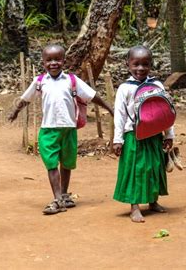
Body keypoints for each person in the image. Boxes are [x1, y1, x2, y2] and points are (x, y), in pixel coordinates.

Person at [9, 45, 113, 215]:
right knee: (51, 163)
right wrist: (15, 111)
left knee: (67, 162)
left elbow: (91, 95)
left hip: (68, 129)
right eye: (49, 60)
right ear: (43, 62)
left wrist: (109, 108)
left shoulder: (71, 80)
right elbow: (26, 98)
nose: (53, 63)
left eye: (57, 59)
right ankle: (57, 199)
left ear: (64, 61)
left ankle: (64, 194)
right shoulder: (40, 81)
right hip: (48, 129)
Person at [113, 45, 174, 223]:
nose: (140, 68)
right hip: (134, 135)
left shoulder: (156, 85)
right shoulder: (125, 88)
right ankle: (134, 207)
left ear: (151, 65)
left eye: (145, 64)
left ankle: (153, 201)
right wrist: (118, 139)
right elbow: (120, 115)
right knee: (136, 170)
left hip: (154, 135)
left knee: (154, 167)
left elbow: (165, 111)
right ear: (128, 65)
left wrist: (169, 134)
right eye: (136, 64)